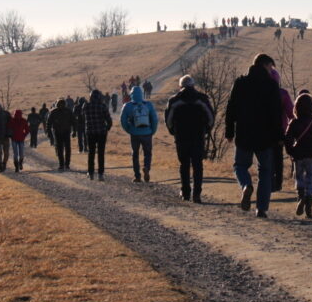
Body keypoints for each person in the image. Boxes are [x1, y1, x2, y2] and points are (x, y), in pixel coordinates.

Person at [225, 54, 282, 218]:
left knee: (240, 166)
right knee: (265, 170)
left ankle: (245, 185)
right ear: (265, 65)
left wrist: (229, 131)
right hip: (266, 137)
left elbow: (231, 108)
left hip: (244, 133)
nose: (272, 70)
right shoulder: (271, 85)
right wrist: (278, 136)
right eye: (271, 67)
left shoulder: (240, 83)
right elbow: (276, 114)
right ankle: (261, 209)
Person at [165, 75, 214, 203]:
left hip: (181, 136)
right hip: (198, 136)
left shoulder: (174, 100)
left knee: (184, 164)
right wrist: (206, 130)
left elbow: (169, 120)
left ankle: (186, 192)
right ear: (193, 85)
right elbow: (211, 117)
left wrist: (173, 131)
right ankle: (197, 194)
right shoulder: (202, 98)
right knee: (198, 165)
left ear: (180, 86)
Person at [284, 93, 312, 219]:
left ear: (296, 108)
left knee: (298, 177)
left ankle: (300, 197)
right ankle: (309, 208)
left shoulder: (294, 123)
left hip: (298, 155)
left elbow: (287, 139)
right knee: (310, 179)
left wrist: (291, 152)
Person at [121, 85, 158, 183]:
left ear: (131, 94)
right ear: (141, 94)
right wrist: (152, 131)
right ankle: (146, 167)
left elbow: (123, 121)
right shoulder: (148, 104)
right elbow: (154, 119)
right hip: (147, 133)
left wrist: (129, 130)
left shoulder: (127, 106)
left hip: (134, 133)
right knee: (147, 153)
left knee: (135, 154)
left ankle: (137, 176)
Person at [269, 68, 294, 193]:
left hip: (263, 131)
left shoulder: (261, 93)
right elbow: (291, 113)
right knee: (278, 158)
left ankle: (267, 181)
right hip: (279, 131)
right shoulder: (283, 94)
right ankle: (277, 183)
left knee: (265, 157)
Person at [83, 89, 113, 181]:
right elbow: (109, 120)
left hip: (90, 133)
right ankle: (100, 174)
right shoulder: (102, 106)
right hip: (101, 133)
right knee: (101, 153)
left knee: (91, 153)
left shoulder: (86, 106)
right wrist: (107, 128)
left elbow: (82, 115)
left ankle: (90, 173)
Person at [47, 97, 74, 170]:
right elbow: (49, 123)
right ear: (57, 104)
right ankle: (61, 164)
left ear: (65, 104)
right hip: (57, 132)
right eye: (60, 104)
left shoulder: (68, 111)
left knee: (67, 149)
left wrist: (74, 130)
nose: (61, 105)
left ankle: (67, 164)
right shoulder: (53, 112)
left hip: (66, 132)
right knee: (60, 149)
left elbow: (73, 121)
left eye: (63, 104)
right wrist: (49, 132)